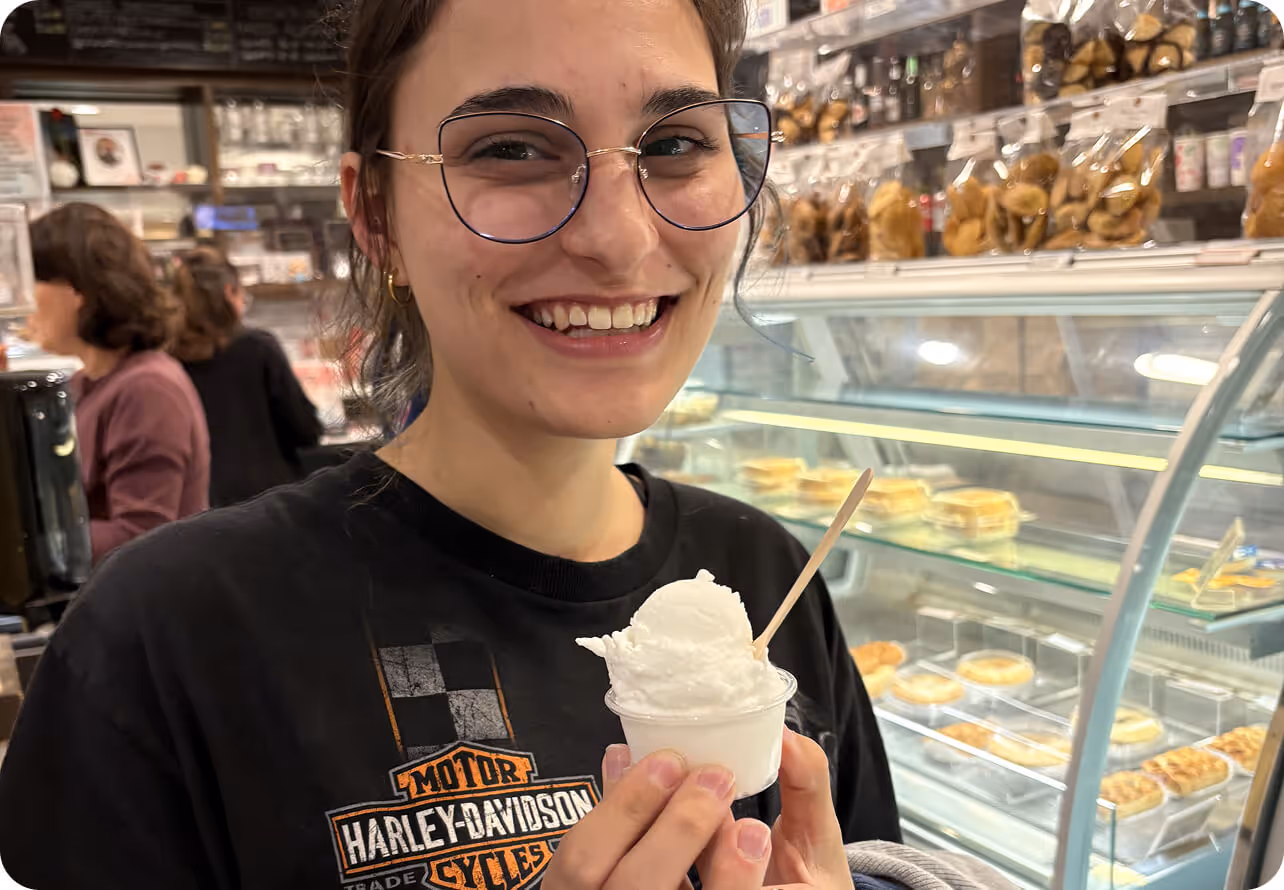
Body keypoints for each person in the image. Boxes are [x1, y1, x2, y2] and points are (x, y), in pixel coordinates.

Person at [0, 1, 900, 887]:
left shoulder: (766, 572)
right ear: (374, 214)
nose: (620, 239)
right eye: (511, 148)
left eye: (673, 145)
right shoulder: (164, 640)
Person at [20, 202, 209, 563]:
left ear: (78, 289)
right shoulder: (86, 381)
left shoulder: (147, 388)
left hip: (149, 611)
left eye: (34, 279)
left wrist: (26, 542)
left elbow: (141, 535)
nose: (26, 299)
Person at [170, 247, 322, 507]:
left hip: (203, 512)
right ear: (229, 291)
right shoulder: (259, 348)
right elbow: (306, 430)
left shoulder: (167, 361)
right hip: (270, 505)